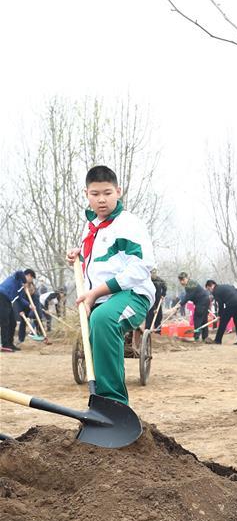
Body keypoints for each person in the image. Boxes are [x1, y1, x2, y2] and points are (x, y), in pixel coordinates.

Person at [64, 165, 154, 405]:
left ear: (118, 191)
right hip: (104, 298)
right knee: (97, 323)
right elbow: (103, 262)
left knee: (103, 319)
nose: (101, 200)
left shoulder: (128, 224)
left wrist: (95, 293)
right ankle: (102, 403)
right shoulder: (91, 226)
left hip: (132, 294)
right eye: (95, 194)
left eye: (107, 193)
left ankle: (114, 405)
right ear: (86, 194)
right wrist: (79, 255)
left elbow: (140, 267)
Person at [0, 269, 35, 352]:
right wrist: (25, 282)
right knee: (5, 322)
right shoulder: (16, 277)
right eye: (32, 278)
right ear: (28, 275)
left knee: (13, 322)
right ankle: (4, 345)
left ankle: (10, 343)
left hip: (8, 300)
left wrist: (29, 305)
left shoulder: (20, 286)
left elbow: (20, 299)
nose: (31, 280)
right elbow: (19, 272)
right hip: (1, 296)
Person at [206, 280, 237, 345]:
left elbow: (220, 304)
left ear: (211, 286)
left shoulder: (216, 291)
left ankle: (218, 340)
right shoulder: (225, 286)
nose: (209, 291)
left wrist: (220, 315)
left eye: (208, 289)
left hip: (231, 303)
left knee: (223, 322)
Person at [179, 272, 211, 342]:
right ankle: (205, 337)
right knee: (204, 319)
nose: (181, 282)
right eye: (180, 281)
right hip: (205, 301)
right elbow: (187, 296)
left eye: (182, 280)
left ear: (185, 279)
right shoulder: (190, 283)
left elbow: (188, 296)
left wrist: (180, 305)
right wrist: (180, 304)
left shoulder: (190, 285)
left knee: (197, 318)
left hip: (202, 302)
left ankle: (196, 337)